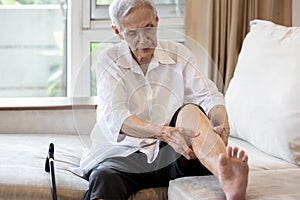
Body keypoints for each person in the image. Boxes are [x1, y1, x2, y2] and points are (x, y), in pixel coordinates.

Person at [79, 0, 249, 199]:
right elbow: (116, 117)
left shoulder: (178, 54)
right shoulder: (110, 60)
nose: (143, 40)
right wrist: (164, 133)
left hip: (172, 154)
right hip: (123, 155)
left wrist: (222, 128)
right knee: (104, 178)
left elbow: (209, 96)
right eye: (132, 33)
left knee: (191, 112)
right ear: (118, 32)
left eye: (148, 28)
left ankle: (227, 174)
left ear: (157, 21)